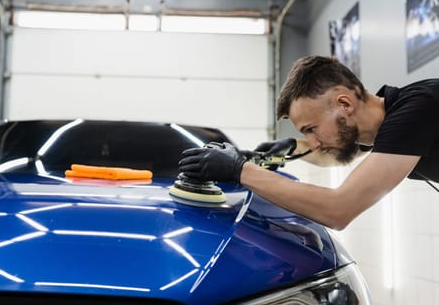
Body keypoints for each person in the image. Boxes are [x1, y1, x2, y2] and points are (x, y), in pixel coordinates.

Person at [178, 55, 439, 230]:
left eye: (312, 129)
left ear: (344, 103)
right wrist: (289, 149)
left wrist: (239, 170)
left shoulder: (417, 109)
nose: (313, 143)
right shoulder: (392, 123)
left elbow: (338, 209)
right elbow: (331, 156)